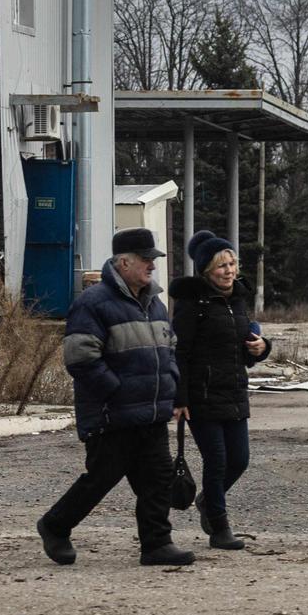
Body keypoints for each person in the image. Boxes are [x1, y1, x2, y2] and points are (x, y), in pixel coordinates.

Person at [36, 228, 195, 567]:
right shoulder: (93, 304)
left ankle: (156, 544)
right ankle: (55, 525)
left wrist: (173, 389)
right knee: (101, 479)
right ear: (123, 262)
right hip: (112, 414)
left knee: (157, 480)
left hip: (151, 413)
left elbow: (170, 351)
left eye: (153, 260)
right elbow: (80, 358)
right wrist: (117, 391)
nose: (152, 266)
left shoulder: (156, 305)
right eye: (146, 260)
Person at [171, 230, 271, 550]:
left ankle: (207, 501)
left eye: (232, 264)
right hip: (201, 395)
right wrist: (180, 397)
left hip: (235, 391)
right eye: (220, 266)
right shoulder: (192, 304)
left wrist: (261, 347)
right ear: (206, 271)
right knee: (216, 461)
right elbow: (180, 353)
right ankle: (219, 527)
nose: (229, 271)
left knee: (239, 460)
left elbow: (243, 347)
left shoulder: (238, 300)